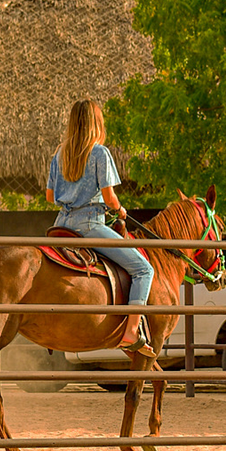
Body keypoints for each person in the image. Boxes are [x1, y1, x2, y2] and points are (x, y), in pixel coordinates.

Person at [45, 98, 155, 356]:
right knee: (143, 269)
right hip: (89, 224)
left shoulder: (60, 154)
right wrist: (119, 210)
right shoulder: (99, 153)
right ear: (96, 123)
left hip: (60, 224)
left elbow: (50, 197)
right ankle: (130, 331)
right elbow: (109, 198)